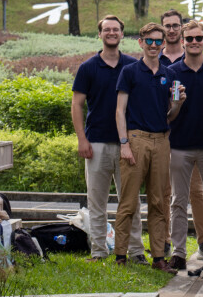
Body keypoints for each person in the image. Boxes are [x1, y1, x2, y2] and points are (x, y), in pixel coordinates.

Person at [71, 15, 145, 263]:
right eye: (107, 29)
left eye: (116, 29)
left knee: (131, 201)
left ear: (122, 34)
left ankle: (136, 250)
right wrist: (82, 139)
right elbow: (77, 105)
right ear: (100, 34)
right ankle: (99, 251)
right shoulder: (88, 68)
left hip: (128, 144)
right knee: (97, 201)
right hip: (97, 143)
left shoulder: (133, 66)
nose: (111, 33)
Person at [114, 22, 185, 273]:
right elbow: (120, 110)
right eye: (149, 41)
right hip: (136, 139)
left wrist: (178, 104)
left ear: (164, 43)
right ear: (141, 42)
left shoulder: (170, 74)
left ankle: (158, 258)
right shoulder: (130, 72)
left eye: (158, 41)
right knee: (128, 201)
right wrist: (124, 143)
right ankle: (120, 255)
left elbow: (170, 115)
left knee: (158, 201)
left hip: (162, 140)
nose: (154, 45)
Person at [167, 21, 203, 270]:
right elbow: (168, 113)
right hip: (179, 144)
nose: (194, 42)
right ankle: (178, 251)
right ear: (182, 41)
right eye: (189, 38)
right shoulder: (172, 72)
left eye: (198, 38)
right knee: (178, 200)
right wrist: (177, 104)